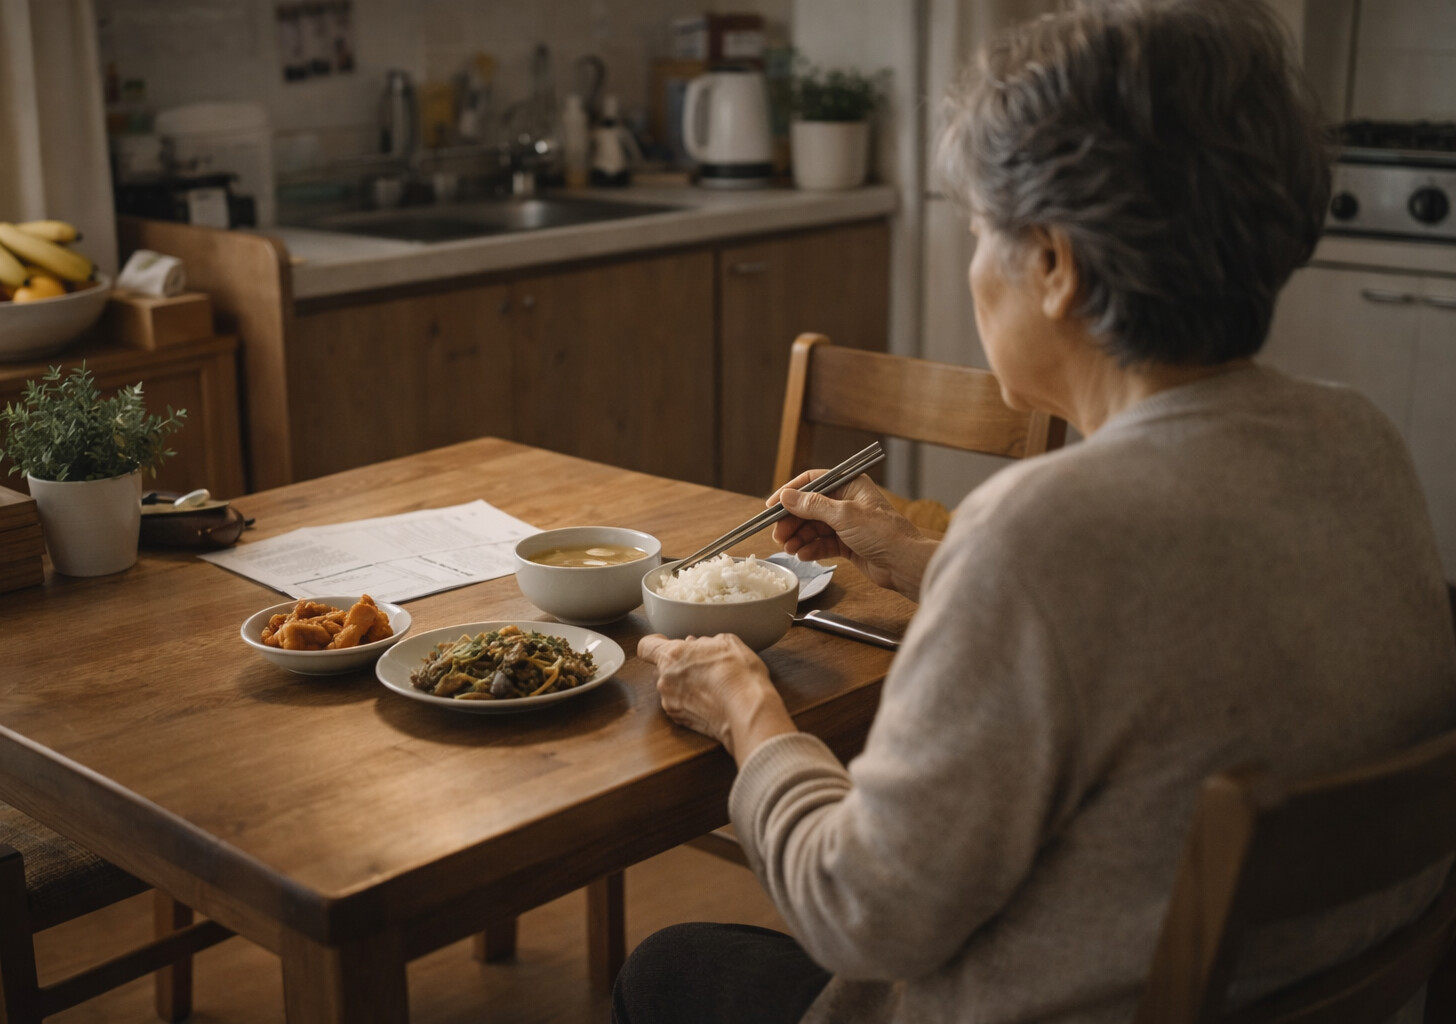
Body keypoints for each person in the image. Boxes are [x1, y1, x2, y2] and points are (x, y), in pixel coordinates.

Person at [617, 1, 1456, 1022]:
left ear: (1054, 264)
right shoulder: (1359, 441)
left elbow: (858, 914)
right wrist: (912, 552)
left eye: (978, 229)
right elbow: (1142, 617)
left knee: (666, 969)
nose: (974, 268)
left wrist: (748, 710)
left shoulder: (1041, 532)